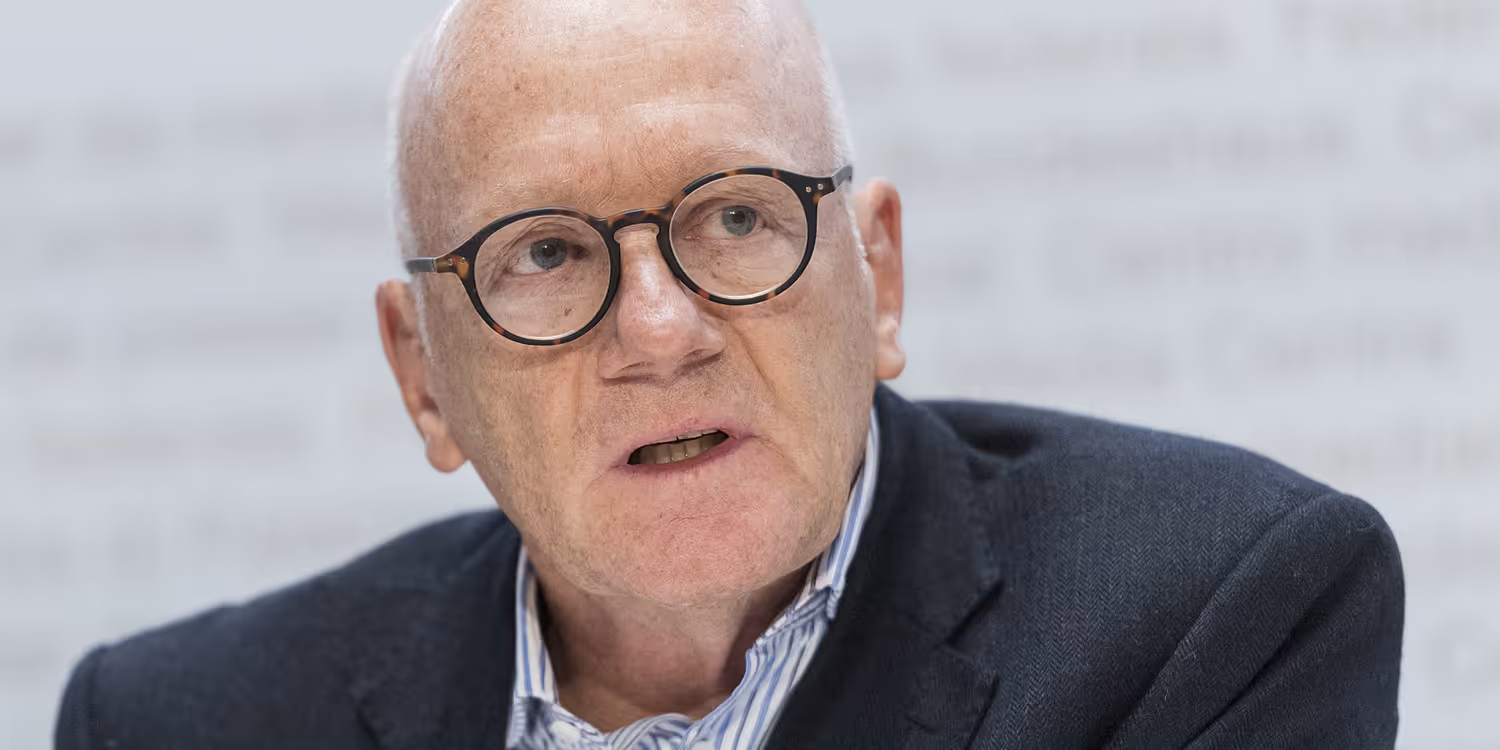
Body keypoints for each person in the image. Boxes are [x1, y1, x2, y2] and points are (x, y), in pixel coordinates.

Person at [53, 0, 1405, 747]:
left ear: (878, 274)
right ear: (423, 377)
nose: (659, 326)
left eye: (740, 216)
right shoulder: (179, 722)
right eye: (543, 253)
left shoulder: (1216, 614)